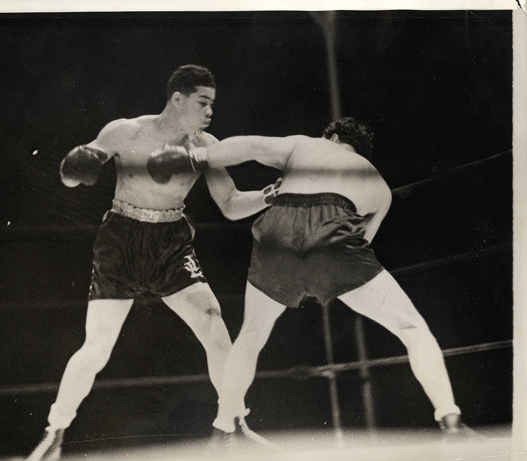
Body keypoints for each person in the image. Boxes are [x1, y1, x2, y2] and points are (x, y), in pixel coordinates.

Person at [147, 116, 469, 442]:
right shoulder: (379, 187)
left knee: (251, 334)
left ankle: (224, 428)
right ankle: (450, 420)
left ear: (330, 137)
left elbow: (250, 145)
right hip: (336, 236)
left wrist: (195, 159)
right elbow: (361, 244)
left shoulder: (307, 144)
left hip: (280, 225)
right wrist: (321, 275)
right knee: (412, 327)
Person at [23, 65, 280, 461]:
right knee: (97, 346)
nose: (211, 111)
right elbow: (73, 174)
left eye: (213, 103)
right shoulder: (125, 132)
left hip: (171, 243)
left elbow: (230, 204)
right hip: (121, 242)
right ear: (177, 99)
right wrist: (74, 170)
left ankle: (232, 426)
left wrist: (270, 194)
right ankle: (54, 432)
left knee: (214, 323)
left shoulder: (207, 146)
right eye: (203, 102)